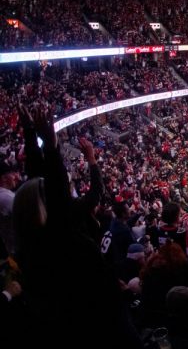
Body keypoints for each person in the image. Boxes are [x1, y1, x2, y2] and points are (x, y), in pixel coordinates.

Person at [13, 107, 141, 348]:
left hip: (68, 325)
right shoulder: (63, 230)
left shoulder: (28, 249)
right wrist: (57, 150)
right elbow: (63, 190)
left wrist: (32, 135)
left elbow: (36, 179)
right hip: (99, 316)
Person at [0, 161, 20, 255]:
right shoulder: (7, 198)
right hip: (17, 251)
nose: (15, 177)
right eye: (12, 174)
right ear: (4, 178)